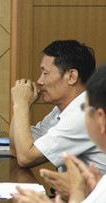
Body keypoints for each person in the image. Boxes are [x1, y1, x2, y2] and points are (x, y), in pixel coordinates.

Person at [0, 61, 106, 203]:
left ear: (101, 118)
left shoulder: (77, 115)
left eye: (86, 108)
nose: (40, 81)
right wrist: (77, 201)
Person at [9, 40, 106, 176]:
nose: (39, 81)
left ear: (71, 77)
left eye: (45, 73)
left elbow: (26, 158)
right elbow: (16, 149)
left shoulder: (84, 114)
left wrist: (21, 105)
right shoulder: (63, 110)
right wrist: (22, 104)